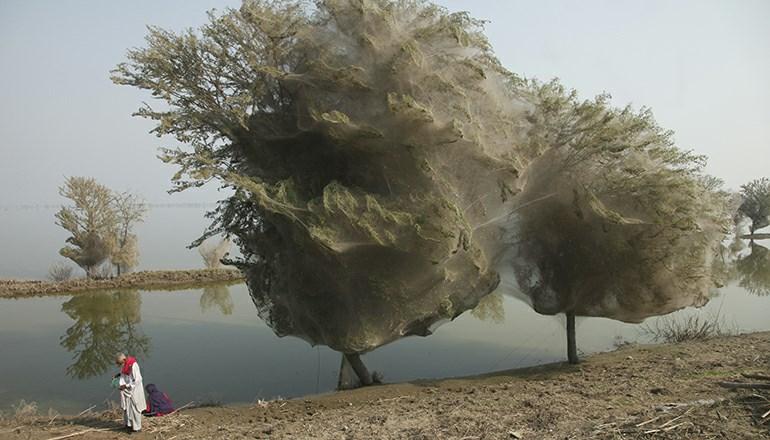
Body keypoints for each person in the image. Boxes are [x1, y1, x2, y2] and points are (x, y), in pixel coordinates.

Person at [115, 353, 147, 433]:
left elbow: (137, 379)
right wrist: (118, 375)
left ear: (124, 360)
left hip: (134, 391)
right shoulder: (125, 365)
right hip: (127, 391)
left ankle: (137, 428)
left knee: (135, 409)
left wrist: (126, 386)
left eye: (120, 363)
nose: (120, 366)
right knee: (126, 408)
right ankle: (128, 425)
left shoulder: (133, 365)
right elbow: (125, 374)